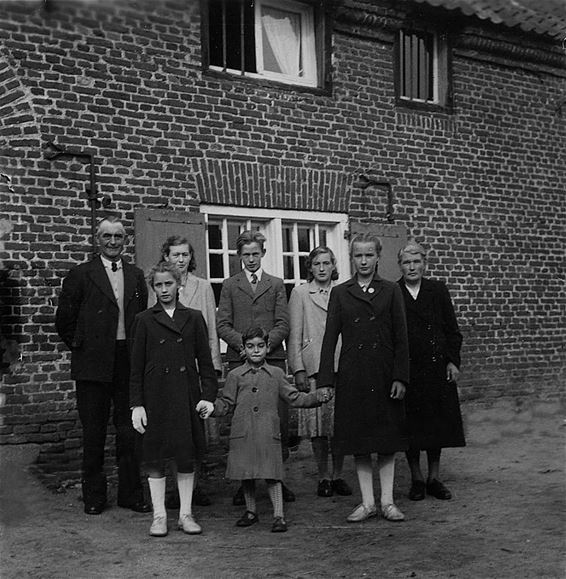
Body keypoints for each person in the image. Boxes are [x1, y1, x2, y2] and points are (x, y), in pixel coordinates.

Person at [55, 216, 150, 515]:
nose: (112, 242)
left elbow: (141, 318)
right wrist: (85, 347)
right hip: (92, 364)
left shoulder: (135, 276)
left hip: (127, 361)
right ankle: (94, 496)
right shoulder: (81, 274)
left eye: (118, 237)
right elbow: (64, 321)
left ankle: (130, 494)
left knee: (129, 431)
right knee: (94, 432)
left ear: (126, 241)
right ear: (98, 239)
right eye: (107, 237)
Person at [197, 327, 334, 532]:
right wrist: (211, 407)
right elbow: (226, 403)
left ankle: (279, 515)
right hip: (243, 432)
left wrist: (316, 397)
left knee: (272, 473)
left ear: (267, 347)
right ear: (243, 348)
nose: (256, 351)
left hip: (268, 432)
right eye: (250, 346)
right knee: (247, 473)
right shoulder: (235, 375)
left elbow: (294, 397)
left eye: (260, 346)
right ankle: (251, 511)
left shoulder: (277, 374)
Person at [318, 232, 410, 523]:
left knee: (385, 440)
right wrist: (325, 380)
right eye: (358, 255)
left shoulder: (391, 291)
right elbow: (330, 339)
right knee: (358, 440)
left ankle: (388, 502)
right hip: (353, 375)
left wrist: (400, 377)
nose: (363, 261)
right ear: (351, 258)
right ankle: (367, 502)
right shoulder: (341, 292)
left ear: (378, 257)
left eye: (369, 255)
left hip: (383, 374)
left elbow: (401, 337)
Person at [130, 262, 218, 537]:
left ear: (179, 284)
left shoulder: (193, 318)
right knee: (155, 457)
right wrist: (137, 404)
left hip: (185, 396)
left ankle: (185, 514)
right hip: (155, 398)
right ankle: (159, 516)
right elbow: (135, 367)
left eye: (169, 284)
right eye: (159, 285)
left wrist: (208, 397)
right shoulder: (144, 320)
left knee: (185, 456)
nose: (164, 289)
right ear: (152, 287)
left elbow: (206, 363)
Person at [216, 230, 294, 504]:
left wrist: (263, 346)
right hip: (240, 362)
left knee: (275, 422)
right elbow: (222, 324)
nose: (251, 259)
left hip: (271, 360)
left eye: (255, 253)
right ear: (239, 256)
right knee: (245, 424)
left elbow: (283, 323)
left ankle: (278, 480)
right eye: (245, 254)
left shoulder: (275, 284)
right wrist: (246, 346)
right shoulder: (229, 285)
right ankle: (245, 481)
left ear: (262, 253)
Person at [152, 235, 222, 507]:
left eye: (185, 255)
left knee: (195, 430)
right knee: (171, 430)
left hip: (194, 367)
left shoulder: (203, 287)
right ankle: (174, 489)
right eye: (175, 255)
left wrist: (213, 367)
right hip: (168, 370)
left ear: (191, 258)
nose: (180, 260)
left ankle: (196, 487)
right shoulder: (159, 286)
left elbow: (211, 331)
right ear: (166, 257)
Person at [397, 241, 465, 501]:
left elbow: (452, 331)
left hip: (436, 369)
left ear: (424, 264)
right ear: (400, 265)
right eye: (406, 262)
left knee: (436, 424)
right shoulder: (394, 292)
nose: (412, 267)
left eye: (416, 261)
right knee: (411, 426)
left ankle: (434, 477)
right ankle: (415, 478)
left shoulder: (437, 290)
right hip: (409, 370)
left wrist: (452, 361)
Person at [288, 246, 352, 498]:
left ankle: (338, 475)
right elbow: (295, 334)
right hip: (314, 366)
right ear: (310, 268)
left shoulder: (343, 291)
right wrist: (298, 369)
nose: (322, 268)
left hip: (341, 364)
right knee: (317, 427)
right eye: (317, 264)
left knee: (339, 425)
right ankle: (323, 475)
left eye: (327, 263)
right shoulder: (301, 293)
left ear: (333, 266)